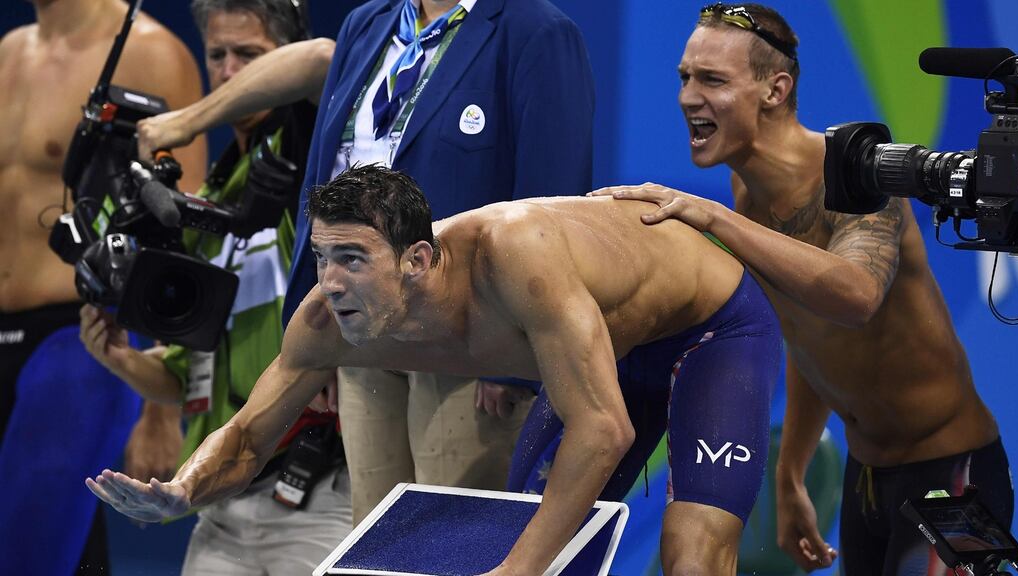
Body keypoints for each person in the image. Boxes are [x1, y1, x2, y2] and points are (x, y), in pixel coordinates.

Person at [87, 164, 782, 576]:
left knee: (686, 556)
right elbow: (245, 436)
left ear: (417, 261)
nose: (329, 282)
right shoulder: (328, 318)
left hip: (709, 327)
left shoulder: (514, 258)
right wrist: (185, 490)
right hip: (605, 351)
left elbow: (602, 429)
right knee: (543, 545)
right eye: (323, 256)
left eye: (352, 259)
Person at [136, 0, 596, 524]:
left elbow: (550, 206)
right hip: (363, 334)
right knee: (372, 539)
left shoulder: (536, 32)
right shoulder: (368, 24)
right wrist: (318, 329)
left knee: (449, 545)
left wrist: (518, 354)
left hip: (472, 342)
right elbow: (325, 176)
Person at [595, 4, 1011, 575]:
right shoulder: (749, 188)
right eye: (684, 77)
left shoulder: (862, 177)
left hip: (952, 476)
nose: (688, 97)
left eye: (712, 79)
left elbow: (856, 296)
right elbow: (809, 335)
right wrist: (790, 476)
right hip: (866, 476)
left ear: (775, 90)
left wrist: (715, 219)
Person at [79, 1, 352, 574]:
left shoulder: (316, 152)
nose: (230, 70)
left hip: (320, 494)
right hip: (220, 507)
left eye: (248, 55)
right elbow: (186, 379)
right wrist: (121, 359)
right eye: (218, 55)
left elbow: (323, 61)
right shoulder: (218, 193)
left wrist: (188, 121)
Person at [0, 0, 206, 573]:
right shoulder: (8, 52)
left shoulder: (151, 52)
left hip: (83, 337)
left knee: (29, 556)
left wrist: (161, 411)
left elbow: (180, 233)